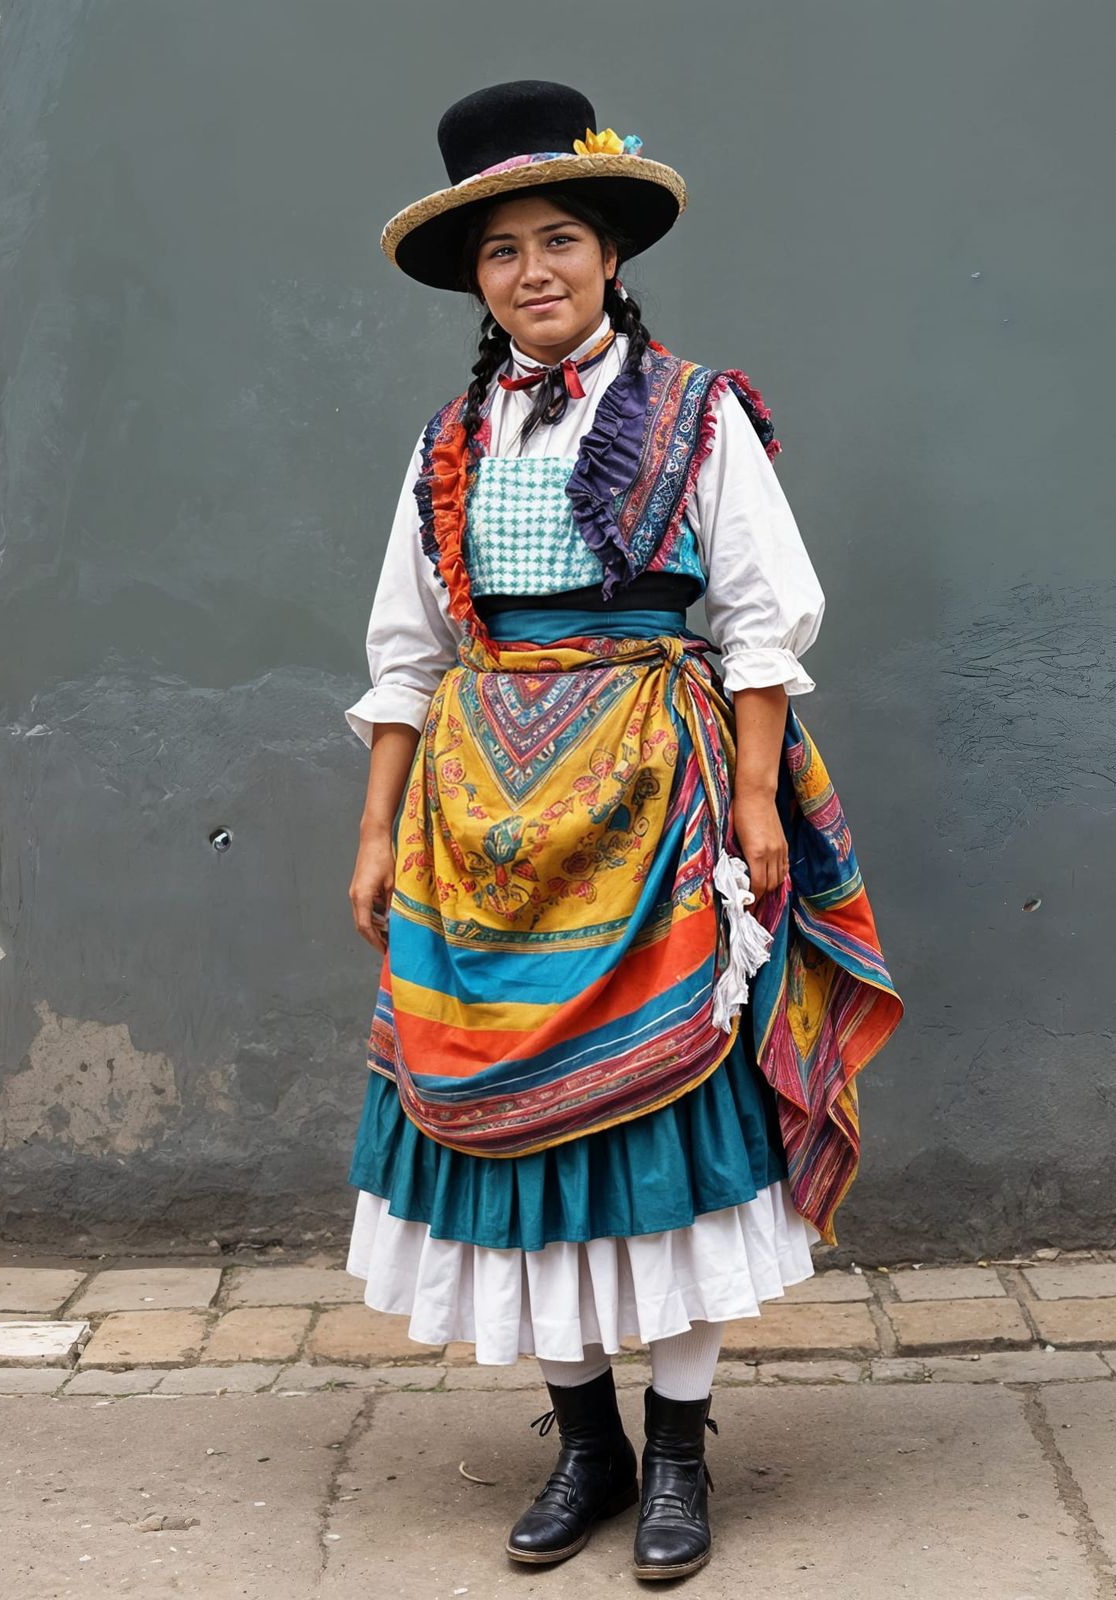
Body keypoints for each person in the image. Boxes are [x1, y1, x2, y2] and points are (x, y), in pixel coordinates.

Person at [342, 80, 904, 1582]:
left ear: (610, 257)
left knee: (669, 1118)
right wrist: (377, 832)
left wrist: (760, 803)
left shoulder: (699, 415)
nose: (535, 271)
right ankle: (580, 1440)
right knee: (512, 1121)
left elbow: (760, 618)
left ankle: (675, 1455)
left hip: (660, 797)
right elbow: (404, 651)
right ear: (476, 277)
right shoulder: (449, 444)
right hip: (482, 823)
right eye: (505, 250)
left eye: (561, 239)